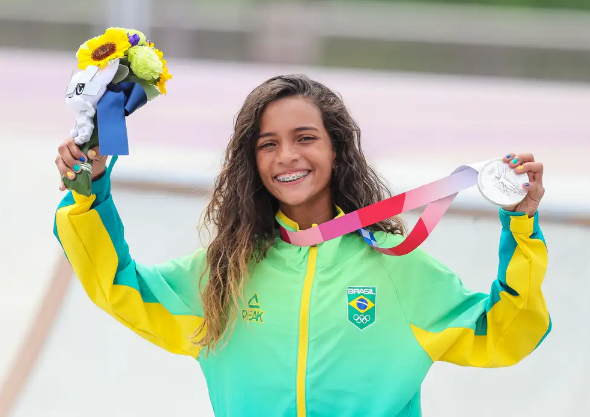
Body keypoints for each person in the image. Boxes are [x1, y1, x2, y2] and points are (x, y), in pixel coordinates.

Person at [53, 75, 550, 417]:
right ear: (253, 162)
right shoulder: (225, 272)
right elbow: (120, 285)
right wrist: (89, 192)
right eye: (268, 144)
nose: (286, 155)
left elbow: (505, 332)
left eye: (305, 137)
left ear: (337, 149)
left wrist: (521, 224)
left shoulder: (397, 270)